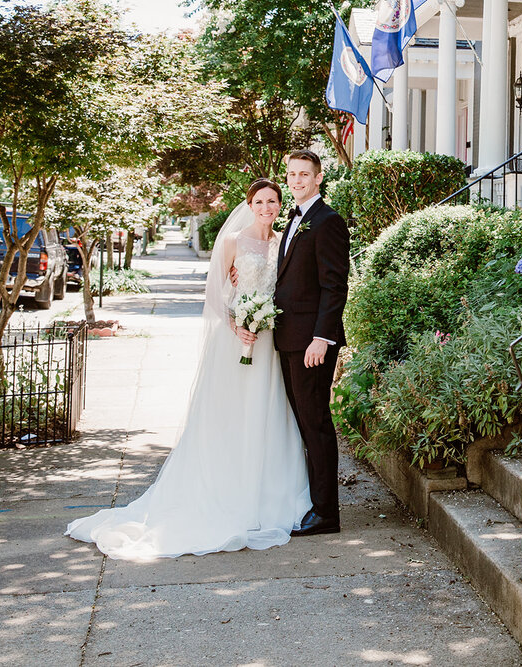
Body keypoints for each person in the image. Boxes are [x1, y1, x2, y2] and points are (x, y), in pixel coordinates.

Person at [64, 180, 310, 560]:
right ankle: (226, 488)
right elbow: (214, 295)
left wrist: (263, 319)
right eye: (259, 201)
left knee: (268, 411)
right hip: (236, 341)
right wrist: (237, 323)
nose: (266, 207)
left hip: (270, 342)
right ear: (249, 204)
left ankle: (268, 492)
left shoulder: (284, 243)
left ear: (280, 205)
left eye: (272, 201)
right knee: (229, 415)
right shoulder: (232, 241)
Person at [271, 150, 350, 536]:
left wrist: (322, 338)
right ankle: (312, 502)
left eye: (304, 174)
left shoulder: (327, 221)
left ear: (319, 178)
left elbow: (334, 286)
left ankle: (326, 513)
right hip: (289, 338)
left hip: (311, 344)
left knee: (316, 423)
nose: (297, 180)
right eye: (291, 175)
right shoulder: (294, 219)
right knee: (303, 423)